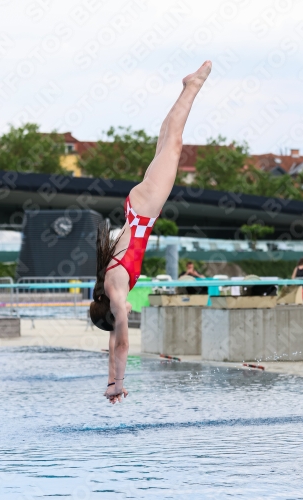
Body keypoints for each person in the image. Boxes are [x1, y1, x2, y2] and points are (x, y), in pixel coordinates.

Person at [89, 61, 212, 404]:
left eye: (120, 318)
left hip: (143, 212)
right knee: (165, 143)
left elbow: (123, 342)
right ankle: (188, 88)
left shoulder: (115, 293)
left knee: (173, 145)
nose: (126, 315)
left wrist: (119, 382)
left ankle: (192, 86)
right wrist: (111, 381)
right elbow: (115, 341)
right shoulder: (108, 290)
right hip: (137, 208)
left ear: (113, 314)